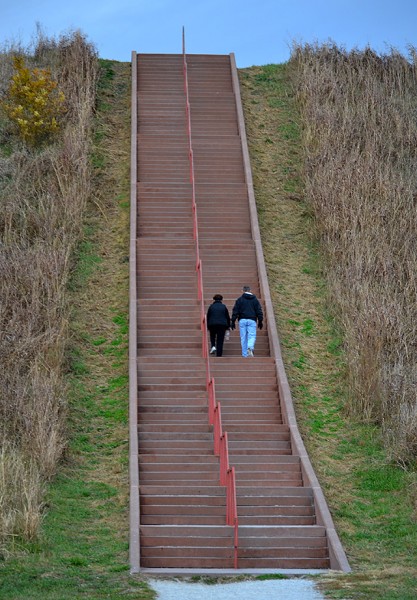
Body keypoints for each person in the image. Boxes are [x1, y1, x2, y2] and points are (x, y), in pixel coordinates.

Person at [231, 285, 263, 357]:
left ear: (242, 291)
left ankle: (245, 354)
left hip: (242, 319)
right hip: (252, 319)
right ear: (250, 290)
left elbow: (235, 311)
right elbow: (259, 311)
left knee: (243, 337)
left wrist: (233, 321)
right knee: (252, 335)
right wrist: (260, 320)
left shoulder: (240, 300)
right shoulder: (255, 300)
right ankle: (250, 347)